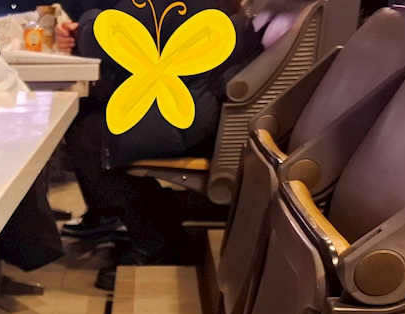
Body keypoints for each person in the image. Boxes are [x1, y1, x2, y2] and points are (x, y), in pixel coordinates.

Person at [53, 0, 282, 290]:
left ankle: (157, 244)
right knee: (87, 121)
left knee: (90, 138)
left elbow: (116, 31)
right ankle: (135, 223)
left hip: (188, 115)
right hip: (208, 106)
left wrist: (83, 27)